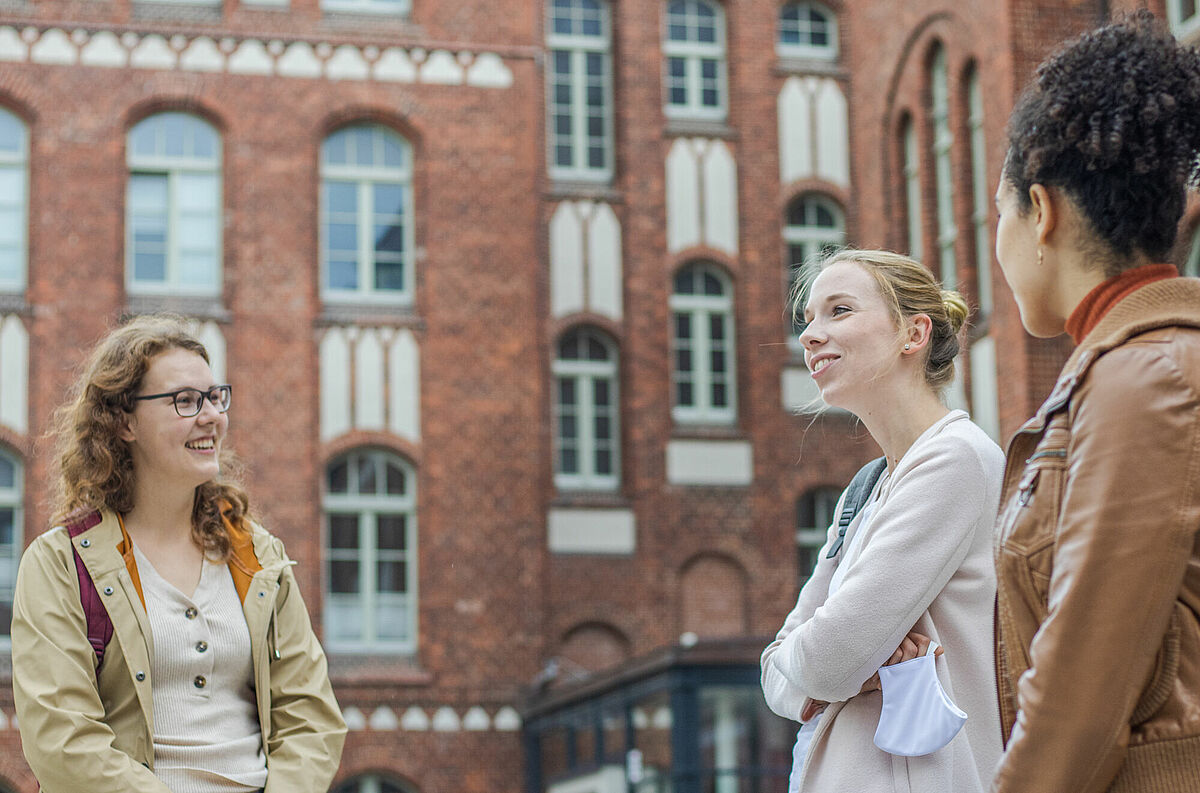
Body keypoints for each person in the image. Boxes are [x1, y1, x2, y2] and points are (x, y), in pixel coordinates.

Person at [991, 11, 1200, 792]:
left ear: (1039, 212)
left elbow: (1079, 697)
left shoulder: (1145, 380)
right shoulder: (1140, 370)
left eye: (998, 215)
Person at [11, 314, 346, 793]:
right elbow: (63, 743)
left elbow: (311, 719)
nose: (211, 415)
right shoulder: (61, 564)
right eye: (185, 401)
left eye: (214, 397)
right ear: (124, 420)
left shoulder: (257, 555)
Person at [762, 249, 1004, 792]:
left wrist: (832, 671)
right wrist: (838, 672)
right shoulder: (866, 488)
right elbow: (774, 672)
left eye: (839, 310)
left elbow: (824, 661)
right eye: (809, 321)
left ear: (912, 334)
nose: (811, 336)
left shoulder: (954, 460)